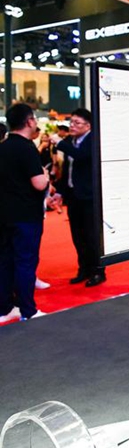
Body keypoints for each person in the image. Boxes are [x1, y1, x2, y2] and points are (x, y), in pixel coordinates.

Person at [0, 103, 50, 322]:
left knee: (5, 261)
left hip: (4, 214)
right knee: (25, 262)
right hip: (26, 216)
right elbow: (39, 183)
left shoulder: (3, 146)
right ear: (29, 121)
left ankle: (5, 308)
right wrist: (46, 176)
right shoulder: (27, 148)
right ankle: (27, 310)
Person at [53, 108, 106, 287]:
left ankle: (98, 271)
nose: (72, 126)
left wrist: (60, 143)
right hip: (74, 196)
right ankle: (84, 268)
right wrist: (60, 192)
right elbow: (66, 170)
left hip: (90, 196)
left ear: (88, 125)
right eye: (71, 122)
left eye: (77, 123)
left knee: (92, 237)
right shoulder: (70, 141)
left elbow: (81, 157)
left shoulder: (93, 140)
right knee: (78, 236)